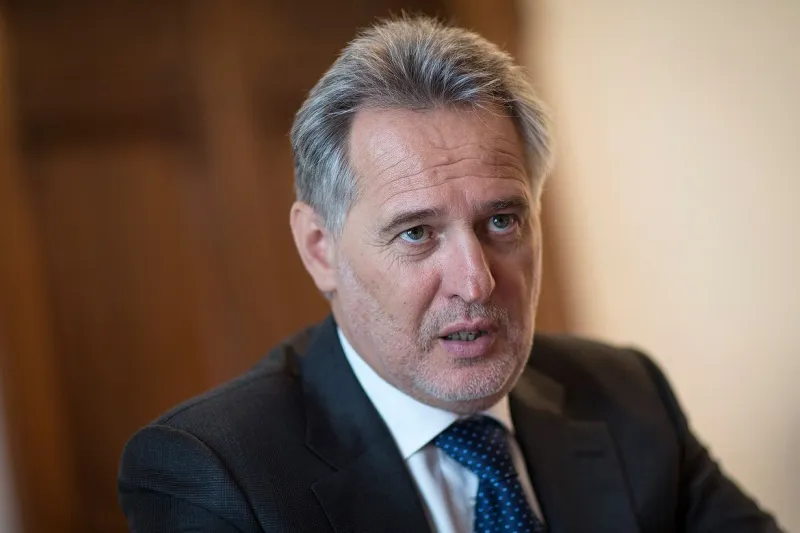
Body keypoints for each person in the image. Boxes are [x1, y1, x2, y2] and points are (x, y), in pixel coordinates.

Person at [118, 16, 783, 533]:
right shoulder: (216, 472)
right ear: (320, 248)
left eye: (502, 221)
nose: (476, 282)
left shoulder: (627, 394)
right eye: (417, 232)